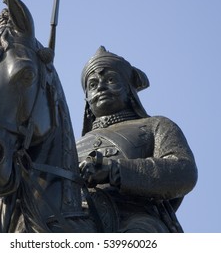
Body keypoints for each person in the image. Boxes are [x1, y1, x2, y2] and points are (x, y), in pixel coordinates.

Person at [77, 46, 198, 232]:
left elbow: (183, 171)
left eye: (110, 80)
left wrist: (114, 171)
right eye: (92, 84)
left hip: (135, 219)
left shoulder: (156, 126)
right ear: (87, 98)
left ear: (128, 88)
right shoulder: (70, 146)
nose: (100, 86)